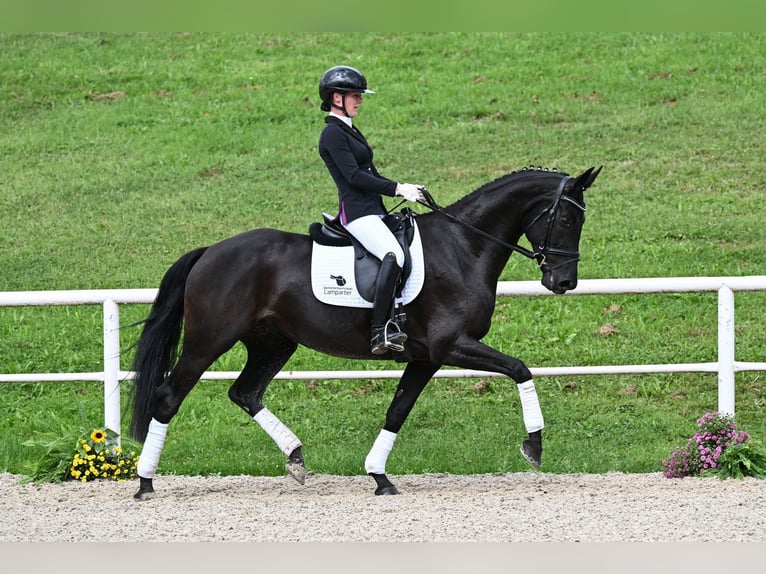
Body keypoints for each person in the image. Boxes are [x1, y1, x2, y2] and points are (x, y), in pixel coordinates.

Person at [317, 65, 426, 355]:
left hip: (372, 209)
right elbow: (353, 176)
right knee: (394, 254)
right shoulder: (332, 134)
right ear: (336, 98)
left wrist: (403, 188)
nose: (360, 100)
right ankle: (380, 331)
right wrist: (397, 188)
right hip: (357, 213)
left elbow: (369, 171)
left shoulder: (348, 130)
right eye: (355, 95)